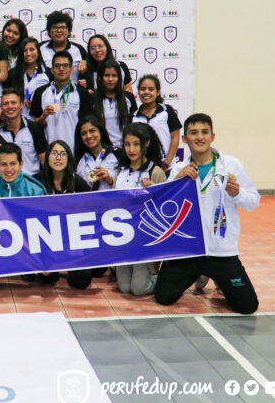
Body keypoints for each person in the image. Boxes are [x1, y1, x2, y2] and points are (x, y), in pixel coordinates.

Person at [156, 113, 260, 315]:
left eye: (204, 132)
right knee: (164, 297)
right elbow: (165, 205)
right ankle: (198, 275)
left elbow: (253, 201)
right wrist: (176, 180)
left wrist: (237, 193)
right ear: (185, 139)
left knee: (247, 306)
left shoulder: (231, 165)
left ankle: (217, 276)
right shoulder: (179, 167)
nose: (199, 137)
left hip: (220, 252)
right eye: (193, 133)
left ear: (213, 136)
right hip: (188, 250)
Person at [0, 143, 46, 294]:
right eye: (3, 164)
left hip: (25, 237)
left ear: (21, 164)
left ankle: (28, 267)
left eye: (13, 164)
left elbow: (44, 223)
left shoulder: (35, 188)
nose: (8, 169)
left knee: (49, 278)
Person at [113, 123, 167, 296]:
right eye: (127, 144)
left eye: (136, 144)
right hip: (124, 240)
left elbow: (167, 210)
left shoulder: (156, 172)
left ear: (146, 144)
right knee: (125, 287)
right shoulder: (120, 172)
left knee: (138, 289)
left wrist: (154, 193)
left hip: (146, 242)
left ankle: (168, 278)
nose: (131, 149)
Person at [36, 140, 93, 288]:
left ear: (68, 159)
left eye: (63, 154)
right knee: (47, 279)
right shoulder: (38, 182)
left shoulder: (79, 183)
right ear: (47, 157)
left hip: (73, 239)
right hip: (47, 240)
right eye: (54, 153)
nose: (58, 158)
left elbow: (90, 213)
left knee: (81, 282)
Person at [30, 51, 93, 153]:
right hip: (49, 152)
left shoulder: (82, 94)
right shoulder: (40, 92)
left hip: (75, 152)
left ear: (72, 69)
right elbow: (35, 127)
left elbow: (87, 125)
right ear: (52, 70)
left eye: (65, 65)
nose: (61, 69)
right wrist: (43, 116)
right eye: (57, 66)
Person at [132, 74, 182, 171]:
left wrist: (166, 164)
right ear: (138, 92)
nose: (146, 92)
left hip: (167, 167)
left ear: (158, 92)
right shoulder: (134, 116)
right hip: (144, 169)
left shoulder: (167, 110)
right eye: (143, 89)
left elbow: (175, 138)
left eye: (151, 89)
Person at [0, 89, 47, 176]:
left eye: (13, 103)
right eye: (6, 104)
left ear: (21, 105)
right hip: (6, 182)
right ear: (1, 107)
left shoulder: (34, 128)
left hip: (32, 180)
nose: (10, 106)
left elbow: (44, 160)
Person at [92, 60, 137, 149]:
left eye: (114, 75)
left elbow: (135, 125)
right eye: (107, 75)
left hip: (125, 150)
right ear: (100, 77)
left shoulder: (128, 97)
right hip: (102, 150)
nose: (110, 79)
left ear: (119, 78)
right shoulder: (92, 99)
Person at [5, 37, 51, 120]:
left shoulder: (48, 73)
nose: (28, 53)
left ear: (38, 51)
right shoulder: (13, 74)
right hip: (19, 119)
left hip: (43, 119)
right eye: (25, 51)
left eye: (32, 49)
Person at [74, 116, 119, 191]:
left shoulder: (116, 154)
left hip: (114, 201)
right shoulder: (79, 162)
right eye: (84, 133)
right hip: (89, 202)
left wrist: (110, 180)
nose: (88, 136)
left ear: (100, 131)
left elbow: (127, 184)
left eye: (92, 131)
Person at [39, 11, 86, 80]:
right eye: (54, 27)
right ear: (49, 31)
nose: (59, 31)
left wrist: (86, 62)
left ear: (68, 31)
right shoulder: (40, 48)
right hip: (46, 89)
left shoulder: (79, 49)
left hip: (72, 89)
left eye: (63, 27)